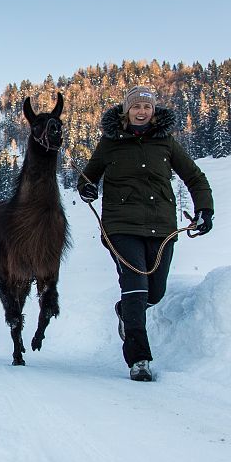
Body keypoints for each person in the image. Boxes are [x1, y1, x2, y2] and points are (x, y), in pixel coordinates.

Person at [77, 86, 214, 381]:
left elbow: (195, 177)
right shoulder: (111, 143)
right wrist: (87, 187)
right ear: (127, 110)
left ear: (153, 112)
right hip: (121, 226)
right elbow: (88, 175)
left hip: (161, 227)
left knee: (155, 292)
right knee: (136, 285)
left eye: (147, 107)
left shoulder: (165, 143)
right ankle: (139, 359)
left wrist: (205, 210)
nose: (141, 111)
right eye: (136, 106)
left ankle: (126, 311)